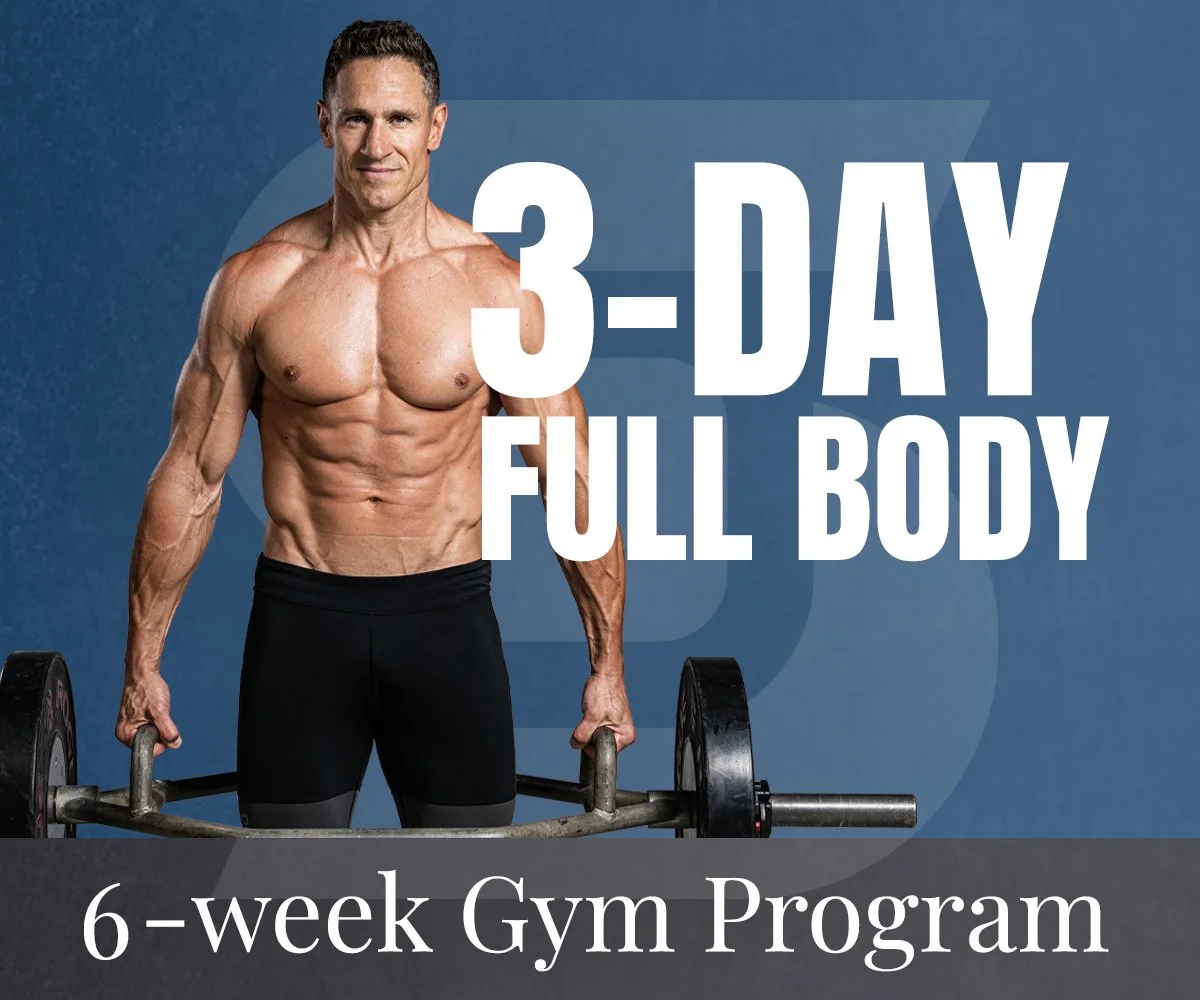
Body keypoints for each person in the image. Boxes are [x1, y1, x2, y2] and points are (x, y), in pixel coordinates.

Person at [114, 19, 635, 829]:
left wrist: (608, 669)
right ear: (325, 122)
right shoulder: (256, 285)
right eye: (356, 118)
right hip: (301, 621)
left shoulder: (500, 292)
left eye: (398, 119)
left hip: (447, 621)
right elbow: (192, 476)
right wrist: (142, 663)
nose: (375, 143)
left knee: (470, 922)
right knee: (283, 920)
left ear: (436, 127)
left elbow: (571, 482)